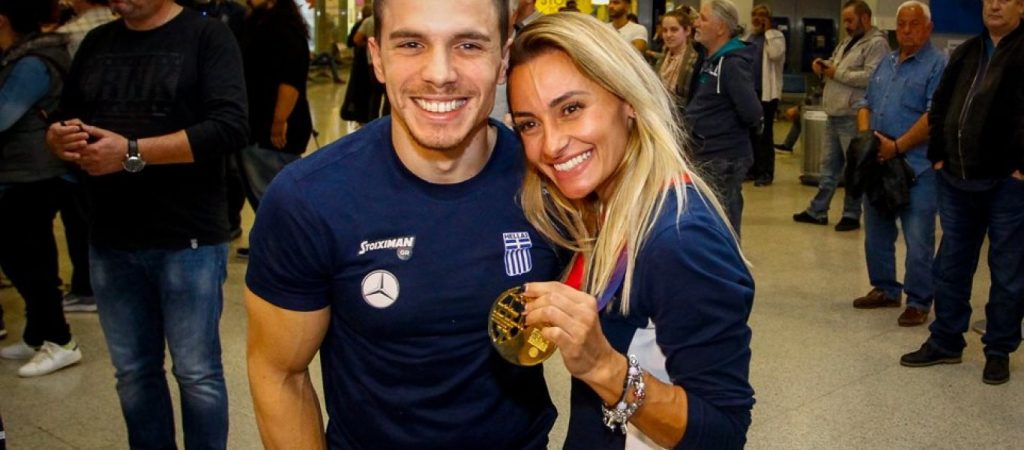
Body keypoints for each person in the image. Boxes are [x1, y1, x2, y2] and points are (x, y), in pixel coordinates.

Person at [244, 0, 565, 448]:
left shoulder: (553, 185)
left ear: (503, 58)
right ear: (377, 57)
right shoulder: (309, 200)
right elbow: (280, 374)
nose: (440, 74)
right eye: (411, 44)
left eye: (469, 45)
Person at [508, 12, 754, 449]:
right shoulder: (605, 204)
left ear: (628, 101)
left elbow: (722, 433)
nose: (550, 144)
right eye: (529, 123)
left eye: (571, 109)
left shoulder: (680, 239)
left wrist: (603, 367)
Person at [45, 0, 249, 446]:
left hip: (188, 238)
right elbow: (67, 115)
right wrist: (59, 137)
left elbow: (229, 127)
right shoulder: (98, 41)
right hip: (111, 236)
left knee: (196, 373)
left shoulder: (207, 36)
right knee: (134, 372)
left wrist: (132, 153)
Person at [900, 0, 1024, 386]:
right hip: (956, 179)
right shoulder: (968, 51)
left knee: (1007, 271)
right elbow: (940, 105)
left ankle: (998, 350)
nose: (994, 5)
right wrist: (938, 155)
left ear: (1021, 6)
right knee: (951, 266)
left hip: (1007, 184)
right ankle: (946, 341)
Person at [0, 0, 82, 378]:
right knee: (25, 257)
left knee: (30, 260)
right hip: (25, 171)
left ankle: (60, 340)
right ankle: (37, 334)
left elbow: (3, 114)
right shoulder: (25, 55)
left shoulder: (32, 62)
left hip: (35, 173)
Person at [851, 1, 945, 327]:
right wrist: (869, 141)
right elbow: (865, 103)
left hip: (916, 167)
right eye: (901, 24)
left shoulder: (938, 65)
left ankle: (918, 301)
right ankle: (885, 289)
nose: (906, 30)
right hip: (879, 164)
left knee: (918, 239)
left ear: (928, 28)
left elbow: (934, 116)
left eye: (914, 24)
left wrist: (896, 146)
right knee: (876, 232)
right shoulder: (886, 62)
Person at [793, 0, 889, 231]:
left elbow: (871, 77)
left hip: (854, 114)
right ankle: (817, 210)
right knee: (828, 167)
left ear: (865, 18)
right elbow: (838, 66)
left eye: (850, 20)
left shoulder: (877, 44)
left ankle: (851, 214)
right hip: (834, 113)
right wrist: (823, 66)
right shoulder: (847, 41)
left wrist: (836, 72)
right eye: (844, 20)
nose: (846, 25)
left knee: (854, 168)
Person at [234, 0, 312, 259]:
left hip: (273, 129)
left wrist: (279, 121)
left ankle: (287, 248)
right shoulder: (257, 22)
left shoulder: (284, 29)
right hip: (255, 124)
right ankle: (272, 244)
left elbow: (291, 80)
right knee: (264, 191)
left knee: (273, 191)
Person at [684, 0, 762, 237]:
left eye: (703, 18)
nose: (696, 23)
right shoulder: (710, 59)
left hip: (724, 157)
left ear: (720, 27)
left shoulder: (732, 64)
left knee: (724, 225)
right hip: (706, 154)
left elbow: (751, 111)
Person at [746, 4, 785, 187]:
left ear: (769, 19)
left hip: (766, 94)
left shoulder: (776, 37)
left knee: (764, 134)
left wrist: (768, 30)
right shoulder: (749, 37)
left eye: (762, 15)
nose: (758, 19)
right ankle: (752, 169)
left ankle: (766, 172)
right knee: (751, 133)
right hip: (750, 91)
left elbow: (775, 54)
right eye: (755, 15)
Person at [654, 7, 699, 110]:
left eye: (674, 30)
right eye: (665, 30)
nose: (668, 35)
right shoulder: (661, 60)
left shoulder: (694, 61)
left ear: (687, 31)